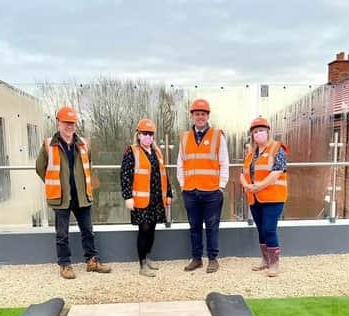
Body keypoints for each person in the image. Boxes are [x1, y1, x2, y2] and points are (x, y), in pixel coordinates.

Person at [36, 106, 111, 279]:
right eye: (66, 123)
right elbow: (40, 168)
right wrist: (53, 184)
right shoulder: (49, 145)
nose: (69, 126)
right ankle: (65, 265)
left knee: (88, 230)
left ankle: (92, 261)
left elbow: (88, 167)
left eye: (72, 123)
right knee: (62, 234)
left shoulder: (83, 144)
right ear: (58, 123)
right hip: (61, 197)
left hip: (81, 196)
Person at [177, 98, 229, 273]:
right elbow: (180, 163)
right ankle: (196, 258)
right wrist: (183, 185)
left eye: (203, 114)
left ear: (208, 116)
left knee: (212, 226)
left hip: (212, 191)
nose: (200, 117)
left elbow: (224, 162)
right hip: (191, 191)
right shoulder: (184, 137)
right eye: (197, 114)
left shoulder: (217, 136)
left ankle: (213, 259)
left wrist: (221, 185)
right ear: (192, 116)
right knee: (194, 227)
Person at [120, 118, 173, 277]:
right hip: (141, 199)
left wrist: (168, 193)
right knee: (143, 230)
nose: (148, 137)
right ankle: (142, 263)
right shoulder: (131, 151)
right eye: (145, 133)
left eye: (150, 134)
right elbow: (125, 175)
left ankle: (147, 256)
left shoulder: (157, 152)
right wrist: (127, 197)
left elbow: (164, 174)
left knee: (152, 229)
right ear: (138, 135)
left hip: (156, 199)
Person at [240, 117, 288, 277]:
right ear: (252, 135)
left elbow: (277, 172)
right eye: (255, 132)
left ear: (268, 132)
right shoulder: (251, 154)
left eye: (261, 130)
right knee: (261, 229)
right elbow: (243, 173)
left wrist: (259, 186)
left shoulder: (277, 149)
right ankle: (265, 260)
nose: (258, 134)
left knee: (269, 229)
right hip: (255, 198)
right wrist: (247, 186)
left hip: (273, 197)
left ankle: (275, 263)